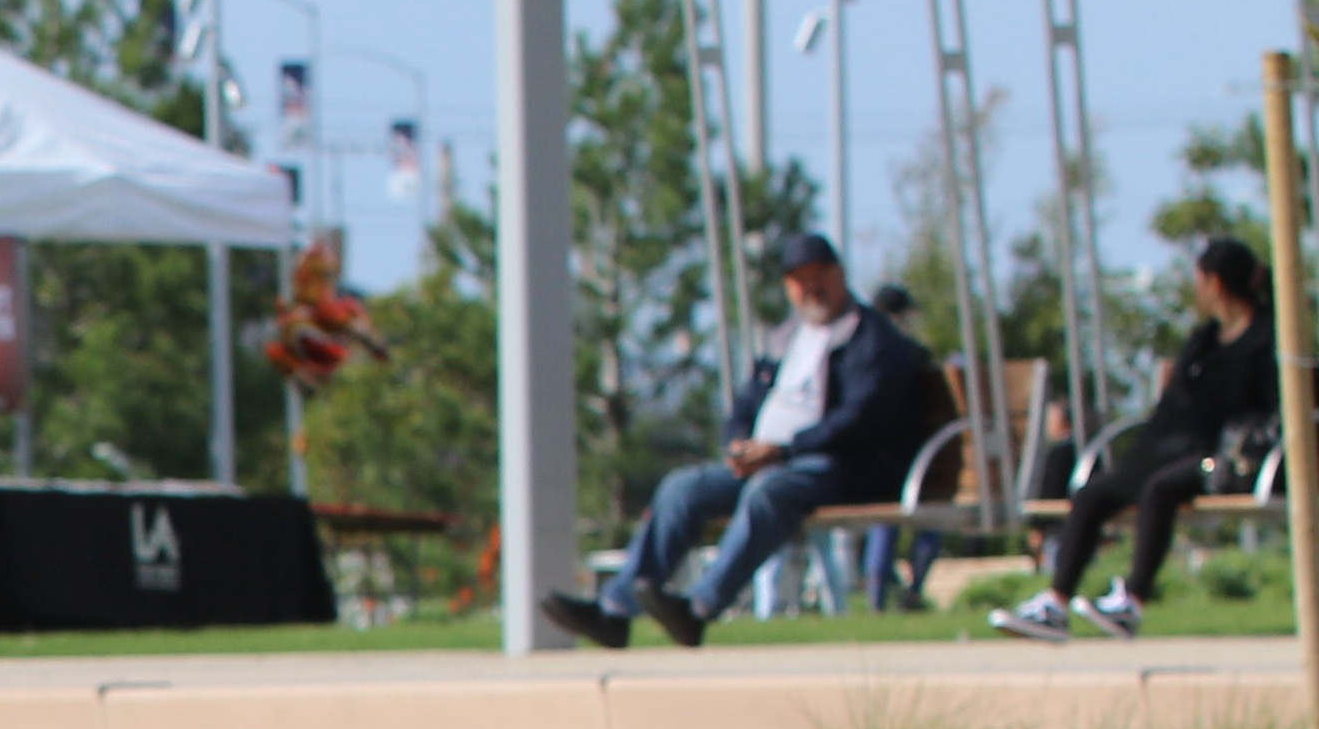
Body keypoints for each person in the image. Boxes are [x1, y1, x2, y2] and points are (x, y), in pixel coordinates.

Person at [545, 233, 937, 649]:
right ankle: (615, 610)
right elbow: (747, 404)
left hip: (837, 468)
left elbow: (859, 419)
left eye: (819, 276)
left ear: (839, 275)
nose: (811, 288)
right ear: (788, 287)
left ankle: (698, 609)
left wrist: (784, 450)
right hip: (769, 461)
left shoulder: (871, 340)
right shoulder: (786, 340)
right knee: (683, 487)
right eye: (799, 280)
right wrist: (738, 445)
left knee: (769, 491)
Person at [998, 237, 1280, 642]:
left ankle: (1132, 602)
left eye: (1199, 280)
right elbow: (1174, 407)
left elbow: (1271, 411)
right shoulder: (1204, 341)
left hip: (1227, 459)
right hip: (1169, 450)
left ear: (1214, 283)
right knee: (1092, 493)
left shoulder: (1266, 338)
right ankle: (1055, 604)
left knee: (1159, 489)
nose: (1196, 289)